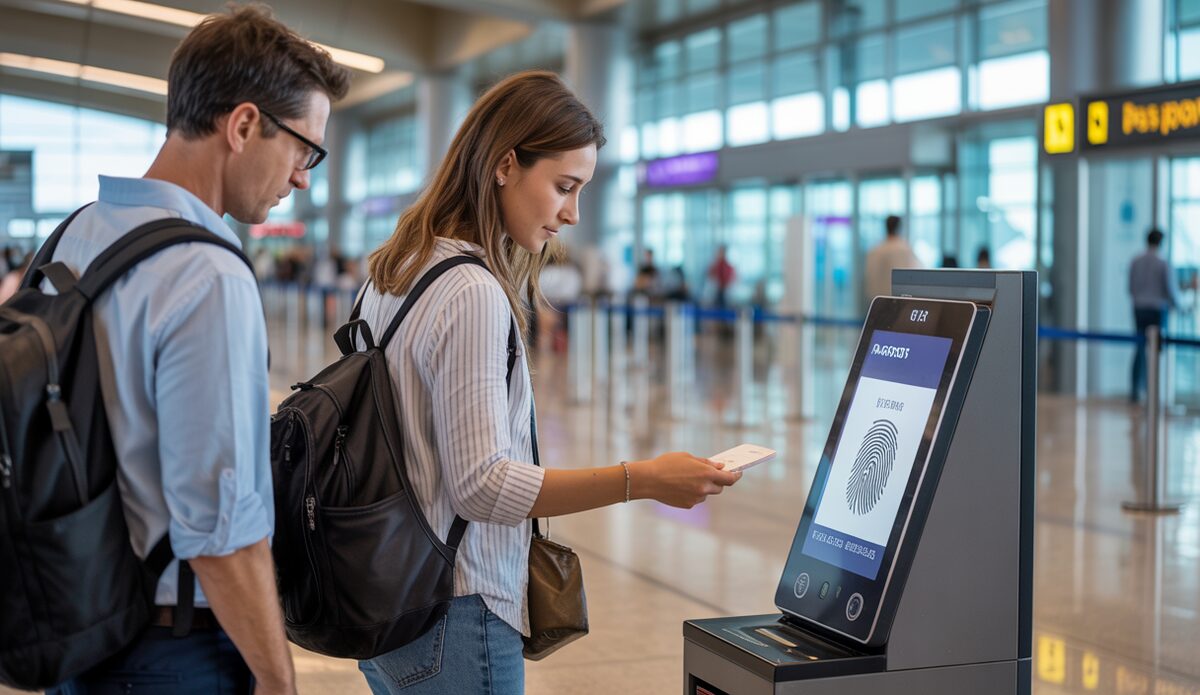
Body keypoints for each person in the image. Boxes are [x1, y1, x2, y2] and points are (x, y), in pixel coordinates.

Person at [354, 71, 740, 694]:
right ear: (505, 164)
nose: (571, 213)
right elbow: (482, 486)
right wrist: (642, 479)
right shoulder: (471, 289)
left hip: (387, 593)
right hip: (457, 605)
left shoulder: (395, 269)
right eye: (563, 186)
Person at [44, 7, 350, 694]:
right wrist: (278, 678)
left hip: (76, 622)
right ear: (244, 125)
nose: (303, 177)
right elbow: (220, 529)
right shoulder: (206, 272)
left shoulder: (74, 236)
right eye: (306, 149)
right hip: (170, 648)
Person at [1129, 228, 1181, 402]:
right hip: (1157, 310)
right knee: (1155, 352)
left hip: (1139, 308)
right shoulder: (1162, 263)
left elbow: (1130, 287)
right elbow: (1170, 289)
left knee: (1139, 350)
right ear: (1161, 243)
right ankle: (1153, 391)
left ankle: (1136, 391)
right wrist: (1178, 306)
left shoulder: (1135, 261)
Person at [864, 215, 920, 303]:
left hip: (877, 300)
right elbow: (915, 275)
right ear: (899, 227)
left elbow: (870, 278)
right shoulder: (904, 249)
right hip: (897, 301)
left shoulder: (875, 250)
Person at [707, 244, 735, 308]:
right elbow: (710, 279)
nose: (720, 254)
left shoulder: (728, 267)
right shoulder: (713, 267)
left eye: (722, 252)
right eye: (719, 252)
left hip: (725, 293)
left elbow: (732, 279)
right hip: (715, 293)